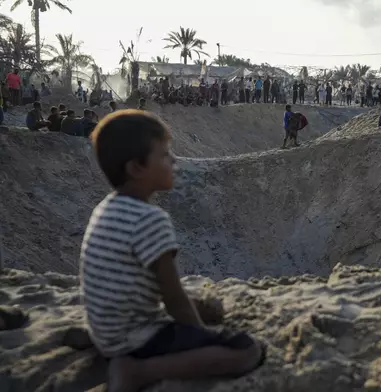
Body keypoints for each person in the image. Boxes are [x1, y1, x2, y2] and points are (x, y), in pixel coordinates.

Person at [81, 110, 265, 392]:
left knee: (206, 308)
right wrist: (201, 337)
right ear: (136, 168)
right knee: (247, 350)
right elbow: (173, 297)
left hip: (105, 332)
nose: (174, 160)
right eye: (165, 155)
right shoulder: (150, 219)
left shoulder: (105, 209)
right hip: (134, 341)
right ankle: (138, 372)